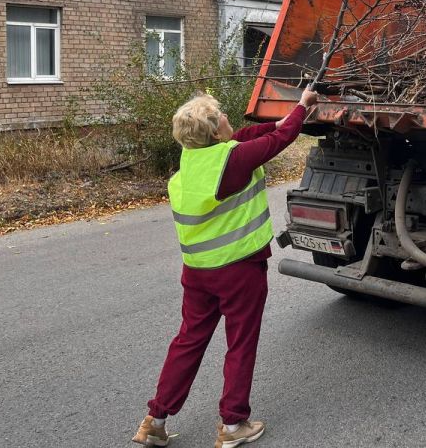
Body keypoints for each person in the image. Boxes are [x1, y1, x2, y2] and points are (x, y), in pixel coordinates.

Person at [131, 87, 318, 448]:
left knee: (188, 341)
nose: (230, 119)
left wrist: (279, 119)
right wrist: (302, 107)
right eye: (223, 117)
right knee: (240, 343)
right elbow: (281, 139)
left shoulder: (192, 159)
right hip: (239, 270)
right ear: (217, 132)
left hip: (198, 273)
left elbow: (245, 138)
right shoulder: (232, 162)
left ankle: (154, 420)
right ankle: (234, 425)